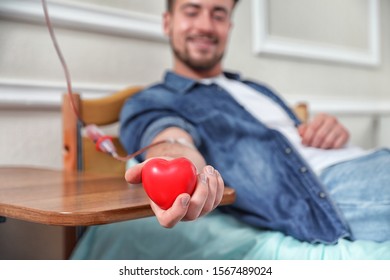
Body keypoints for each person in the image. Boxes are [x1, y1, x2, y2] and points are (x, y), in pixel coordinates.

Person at [119, 0, 390, 244]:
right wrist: (177, 165)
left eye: (218, 15)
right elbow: (170, 138)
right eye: (192, 12)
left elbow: (294, 141)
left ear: (229, 26)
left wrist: (330, 131)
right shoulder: (153, 99)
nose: (205, 25)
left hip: (369, 160)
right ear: (168, 22)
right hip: (326, 190)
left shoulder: (259, 90)